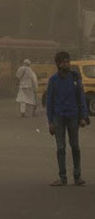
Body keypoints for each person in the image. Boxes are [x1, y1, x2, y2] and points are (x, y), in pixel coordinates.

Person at [45, 51, 90, 186]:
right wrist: (50, 122)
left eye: (68, 61)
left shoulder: (75, 77)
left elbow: (81, 98)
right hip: (58, 117)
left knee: (75, 146)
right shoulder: (53, 80)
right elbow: (49, 102)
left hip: (73, 116)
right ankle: (63, 177)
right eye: (64, 62)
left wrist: (84, 116)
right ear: (58, 64)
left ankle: (77, 176)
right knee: (61, 148)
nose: (67, 64)